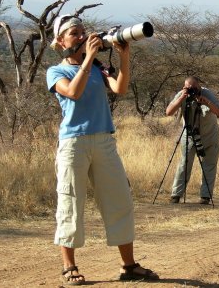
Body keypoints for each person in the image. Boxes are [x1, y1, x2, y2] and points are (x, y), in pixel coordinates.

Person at [46, 15, 159, 285]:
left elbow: (120, 88)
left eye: (83, 32)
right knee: (71, 201)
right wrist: (88, 59)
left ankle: (128, 266)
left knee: (119, 200)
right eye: (75, 33)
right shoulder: (56, 71)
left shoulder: (97, 67)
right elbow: (72, 92)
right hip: (74, 143)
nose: (82, 37)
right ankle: (69, 266)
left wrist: (124, 56)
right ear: (61, 41)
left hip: (104, 140)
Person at [166, 76, 219, 205]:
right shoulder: (182, 94)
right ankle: (176, 195)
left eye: (194, 88)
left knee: (209, 165)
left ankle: (205, 197)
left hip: (210, 136)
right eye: (188, 88)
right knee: (184, 164)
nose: (192, 90)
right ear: (184, 87)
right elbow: (168, 112)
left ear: (199, 86)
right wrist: (181, 98)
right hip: (190, 135)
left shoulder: (207, 94)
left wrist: (206, 102)